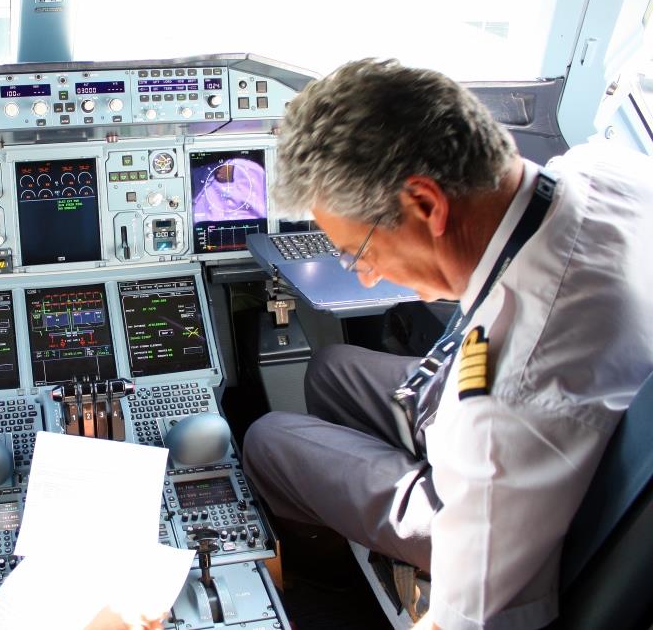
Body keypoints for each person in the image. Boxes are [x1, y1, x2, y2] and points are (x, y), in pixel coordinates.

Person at [243, 58, 653, 630]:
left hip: (504, 500)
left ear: (427, 205)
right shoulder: (600, 170)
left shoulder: (509, 400)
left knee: (269, 440)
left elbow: (472, 621)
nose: (364, 275)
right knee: (331, 368)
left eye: (360, 251)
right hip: (543, 417)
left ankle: (330, 589)